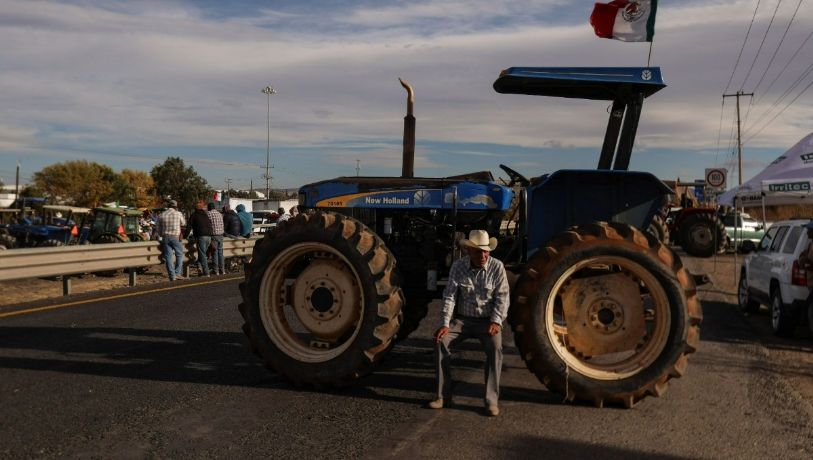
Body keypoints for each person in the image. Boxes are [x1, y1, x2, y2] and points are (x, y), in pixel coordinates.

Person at [429, 230, 510, 416]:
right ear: (469, 252)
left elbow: (503, 298)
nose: (483, 255)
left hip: (487, 321)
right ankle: (442, 396)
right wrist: (445, 323)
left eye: (486, 251)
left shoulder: (497, 267)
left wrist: (496, 321)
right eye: (478, 252)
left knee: (496, 346)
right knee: (441, 341)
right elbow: (449, 296)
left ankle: (491, 400)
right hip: (463, 321)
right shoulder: (458, 267)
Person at [156, 200, 186, 281]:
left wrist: (162, 234)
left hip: (165, 237)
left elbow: (157, 228)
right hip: (176, 237)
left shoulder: (161, 215)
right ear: (175, 207)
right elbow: (183, 224)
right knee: (179, 255)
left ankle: (172, 276)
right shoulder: (178, 214)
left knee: (168, 257)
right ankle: (177, 273)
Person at [188, 202, 214, 276]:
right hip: (209, 237)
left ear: (195, 208)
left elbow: (189, 226)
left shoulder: (194, 215)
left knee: (202, 254)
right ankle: (199, 267)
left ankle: (206, 272)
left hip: (201, 236)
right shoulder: (205, 215)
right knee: (202, 253)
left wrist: (185, 236)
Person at [206, 202, 226, 275]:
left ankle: (216, 270)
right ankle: (222, 270)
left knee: (214, 252)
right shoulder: (220, 214)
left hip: (214, 236)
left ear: (209, 208)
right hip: (221, 235)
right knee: (220, 253)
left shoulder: (208, 214)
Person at [798, 221, 813, 307]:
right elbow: (804, 256)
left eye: (809, 230)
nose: (807, 232)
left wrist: (807, 263)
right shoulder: (810, 245)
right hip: (810, 283)